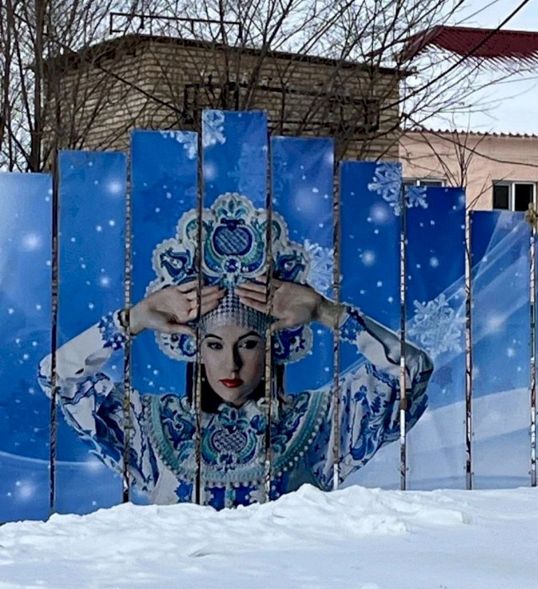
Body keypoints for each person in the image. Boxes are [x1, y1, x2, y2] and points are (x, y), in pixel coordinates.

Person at [38, 194, 433, 509]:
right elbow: (58, 376)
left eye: (248, 344)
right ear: (196, 350)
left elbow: (410, 371)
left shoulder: (315, 422)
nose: (232, 363)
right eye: (214, 345)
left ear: (272, 346)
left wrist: (325, 312)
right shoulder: (154, 428)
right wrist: (132, 319)